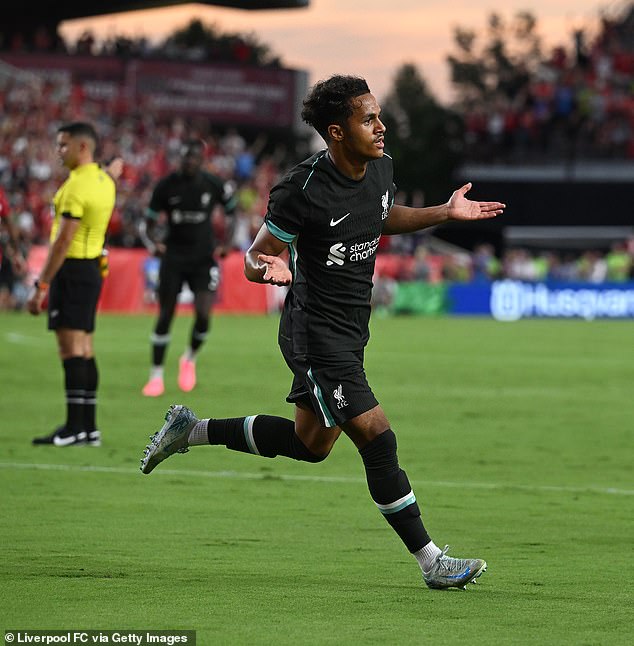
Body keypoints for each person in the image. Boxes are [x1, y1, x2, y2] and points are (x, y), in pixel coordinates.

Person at [140, 76, 505, 590]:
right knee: (377, 437)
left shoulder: (381, 168)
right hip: (314, 334)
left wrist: (442, 213)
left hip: (352, 330)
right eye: (368, 119)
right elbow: (254, 255)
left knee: (310, 444)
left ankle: (191, 429)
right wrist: (268, 267)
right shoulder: (302, 188)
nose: (381, 127)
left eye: (379, 116)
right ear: (336, 132)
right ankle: (432, 561)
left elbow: (380, 217)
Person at [28, 122, 119, 447]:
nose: (58, 150)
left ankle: (73, 428)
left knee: (70, 351)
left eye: (63, 144)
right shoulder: (104, 181)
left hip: (73, 270)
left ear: (83, 147)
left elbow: (63, 240)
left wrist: (42, 284)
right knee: (85, 348)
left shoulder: (76, 187)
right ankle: (87, 428)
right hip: (92, 267)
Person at [139, 139, 237, 397]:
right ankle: (156, 376)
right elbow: (148, 222)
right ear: (179, 159)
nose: (189, 162)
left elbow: (232, 212)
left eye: (194, 158)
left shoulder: (212, 184)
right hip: (173, 257)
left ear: (201, 160)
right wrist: (153, 243)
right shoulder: (165, 186)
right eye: (185, 158)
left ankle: (189, 358)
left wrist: (226, 243)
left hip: (203, 258)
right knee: (165, 315)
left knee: (204, 315)